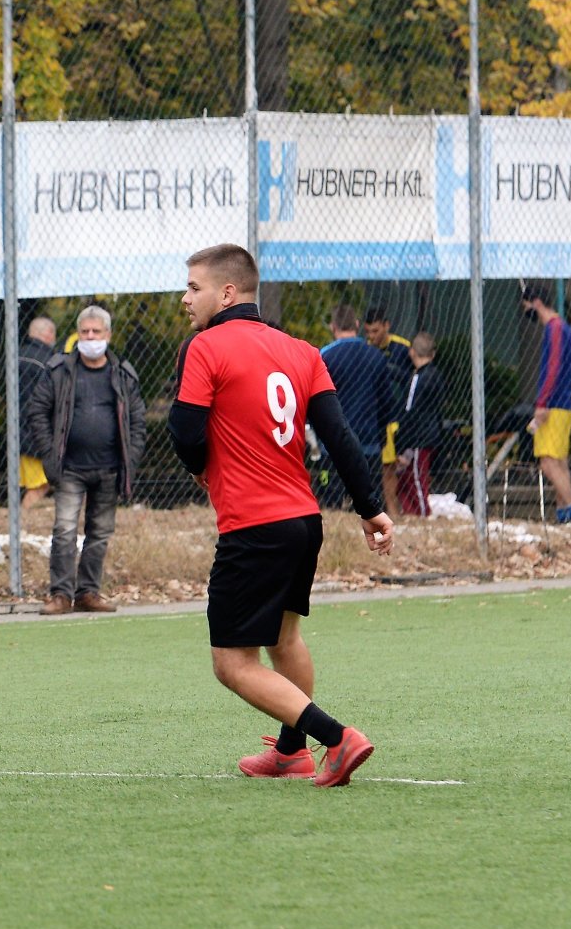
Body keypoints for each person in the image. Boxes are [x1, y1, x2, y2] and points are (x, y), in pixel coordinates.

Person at [171, 244, 392, 787]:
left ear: (227, 293)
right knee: (285, 640)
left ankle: (336, 738)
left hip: (253, 527)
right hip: (303, 522)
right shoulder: (301, 351)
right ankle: (292, 753)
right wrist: (371, 508)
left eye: (194, 287)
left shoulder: (205, 347)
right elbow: (339, 437)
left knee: (232, 663)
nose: (185, 298)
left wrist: (201, 467)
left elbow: (185, 432)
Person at [22, 305, 145, 616]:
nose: (90, 337)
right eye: (85, 332)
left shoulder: (123, 374)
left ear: (108, 335)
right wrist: (49, 452)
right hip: (69, 468)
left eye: (96, 332)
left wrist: (130, 459)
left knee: (100, 532)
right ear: (77, 334)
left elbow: (137, 420)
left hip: (109, 467)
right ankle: (60, 595)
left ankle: (88, 592)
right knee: (64, 530)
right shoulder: (59, 371)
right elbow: (37, 411)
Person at [318, 305, 395, 509]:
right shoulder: (376, 357)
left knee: (332, 505)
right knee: (369, 505)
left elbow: (316, 401)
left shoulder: (325, 356)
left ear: (333, 327)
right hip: (368, 444)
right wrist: (380, 435)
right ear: (358, 325)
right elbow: (387, 403)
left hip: (333, 444)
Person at [520, 283, 571, 523]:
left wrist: (542, 403)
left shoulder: (554, 328)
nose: (526, 311)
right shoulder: (564, 328)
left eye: (526, 306)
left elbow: (552, 367)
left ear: (536, 302)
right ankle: (564, 515)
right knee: (559, 462)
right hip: (563, 403)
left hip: (553, 404)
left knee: (548, 462)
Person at [363, 307, 415, 515]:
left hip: (398, 417)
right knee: (380, 466)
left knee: (391, 467)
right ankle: (386, 508)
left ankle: (394, 509)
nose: (371, 337)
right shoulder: (365, 350)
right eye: (368, 332)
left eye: (375, 331)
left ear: (387, 326)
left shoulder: (403, 349)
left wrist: (391, 371)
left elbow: (413, 381)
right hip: (374, 417)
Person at [393, 332, 445, 518]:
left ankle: (423, 514)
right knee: (409, 478)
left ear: (412, 352)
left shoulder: (418, 378)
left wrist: (402, 440)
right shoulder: (436, 375)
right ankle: (411, 513)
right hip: (430, 434)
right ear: (433, 354)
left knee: (416, 479)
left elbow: (410, 409)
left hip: (417, 438)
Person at [17, 316, 59, 508]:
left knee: (40, 483)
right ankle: (22, 519)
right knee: (40, 485)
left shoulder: (17, 355)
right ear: (48, 334)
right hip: (38, 432)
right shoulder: (48, 361)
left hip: (20, 429)